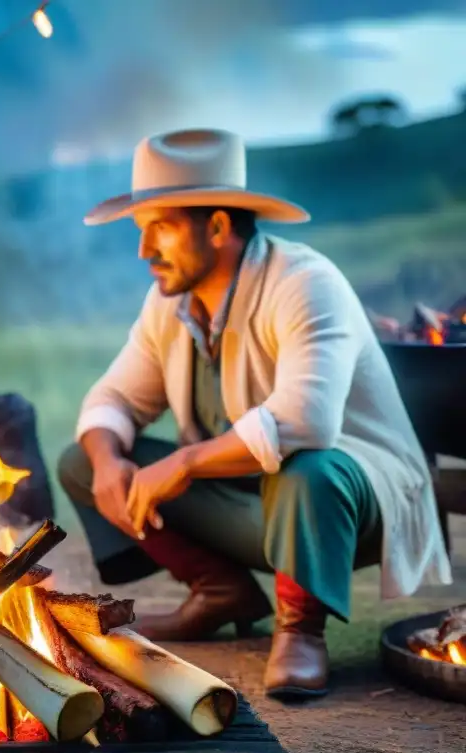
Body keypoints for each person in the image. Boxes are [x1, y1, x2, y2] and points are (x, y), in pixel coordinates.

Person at [57, 128, 452, 700]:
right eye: (142, 233)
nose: (144, 251)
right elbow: (111, 400)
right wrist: (106, 461)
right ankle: (220, 592)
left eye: (160, 229)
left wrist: (187, 462)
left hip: (352, 507)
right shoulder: (170, 302)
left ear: (217, 227)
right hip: (250, 505)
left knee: (306, 468)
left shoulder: (305, 283)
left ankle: (301, 630)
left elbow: (306, 419)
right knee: (84, 459)